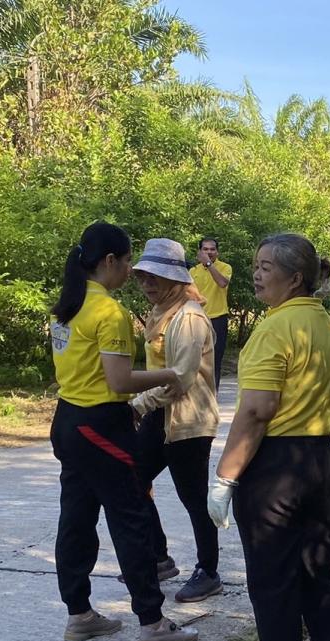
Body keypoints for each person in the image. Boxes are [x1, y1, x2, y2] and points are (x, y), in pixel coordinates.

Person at [208, 233, 330, 641]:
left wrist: (226, 477)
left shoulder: (274, 331)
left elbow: (256, 413)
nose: (256, 273)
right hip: (319, 460)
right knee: (319, 567)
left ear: (296, 278)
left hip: (276, 465)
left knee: (273, 577)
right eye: (255, 265)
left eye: (267, 266)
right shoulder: (328, 328)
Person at [48, 221, 197, 641]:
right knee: (131, 517)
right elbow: (117, 380)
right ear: (109, 261)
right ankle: (152, 623)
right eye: (128, 260)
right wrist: (170, 373)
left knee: (76, 518)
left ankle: (79, 614)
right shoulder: (108, 312)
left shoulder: (67, 306)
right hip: (101, 426)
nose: (131, 270)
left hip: (68, 422)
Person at [129, 238, 223, 604]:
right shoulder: (159, 313)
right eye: (142, 278)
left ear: (174, 280)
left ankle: (209, 571)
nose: (147, 285)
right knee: (132, 480)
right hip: (159, 416)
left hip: (188, 422)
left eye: (155, 278)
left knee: (193, 498)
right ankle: (159, 557)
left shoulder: (188, 317)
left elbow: (180, 378)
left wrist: (137, 404)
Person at [188, 237, 232, 391]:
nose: (209, 252)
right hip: (197, 320)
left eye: (212, 249)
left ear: (217, 252)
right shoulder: (193, 271)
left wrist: (208, 263)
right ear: (200, 252)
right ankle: (197, 395)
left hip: (218, 319)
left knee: (215, 361)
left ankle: (213, 396)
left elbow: (222, 283)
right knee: (195, 360)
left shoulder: (225, 267)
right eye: (205, 249)